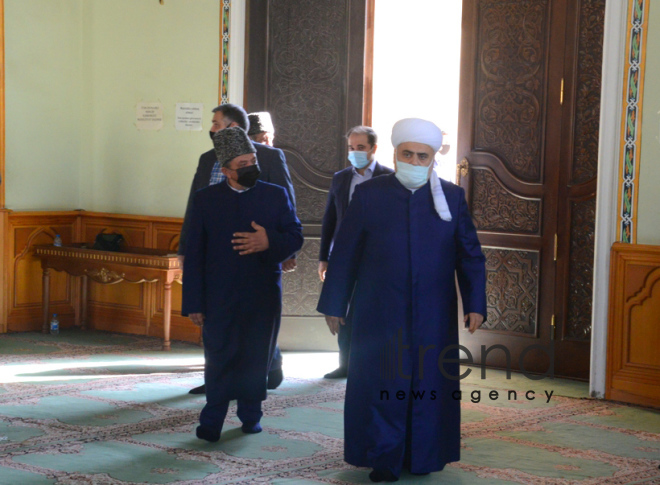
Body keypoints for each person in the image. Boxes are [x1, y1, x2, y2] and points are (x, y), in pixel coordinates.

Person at [317, 118, 486, 481]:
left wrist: (476, 303)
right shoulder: (370, 194)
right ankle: (383, 457)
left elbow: (469, 254)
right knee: (383, 382)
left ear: (432, 158)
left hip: (433, 314)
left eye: (420, 155)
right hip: (379, 309)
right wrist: (334, 303)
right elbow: (344, 252)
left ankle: (423, 455)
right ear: (394, 154)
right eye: (406, 153)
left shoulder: (452, 197)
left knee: (428, 382)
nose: (413, 160)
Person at [182, 126, 303, 442]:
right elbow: (193, 252)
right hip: (217, 295)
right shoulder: (206, 199)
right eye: (242, 165)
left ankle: (251, 416)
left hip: (261, 293)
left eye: (253, 161)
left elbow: (294, 237)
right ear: (226, 172)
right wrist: (194, 302)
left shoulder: (274, 195)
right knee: (219, 357)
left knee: (254, 356)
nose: (251, 168)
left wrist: (269, 241)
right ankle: (212, 421)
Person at [318, 126, 393, 379]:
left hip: (377, 257)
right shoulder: (341, 178)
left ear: (373, 148)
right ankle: (345, 364)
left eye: (361, 147)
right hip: (343, 255)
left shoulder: (389, 177)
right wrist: (323, 258)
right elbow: (329, 219)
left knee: (373, 308)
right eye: (351, 147)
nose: (355, 152)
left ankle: (373, 363)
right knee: (342, 309)